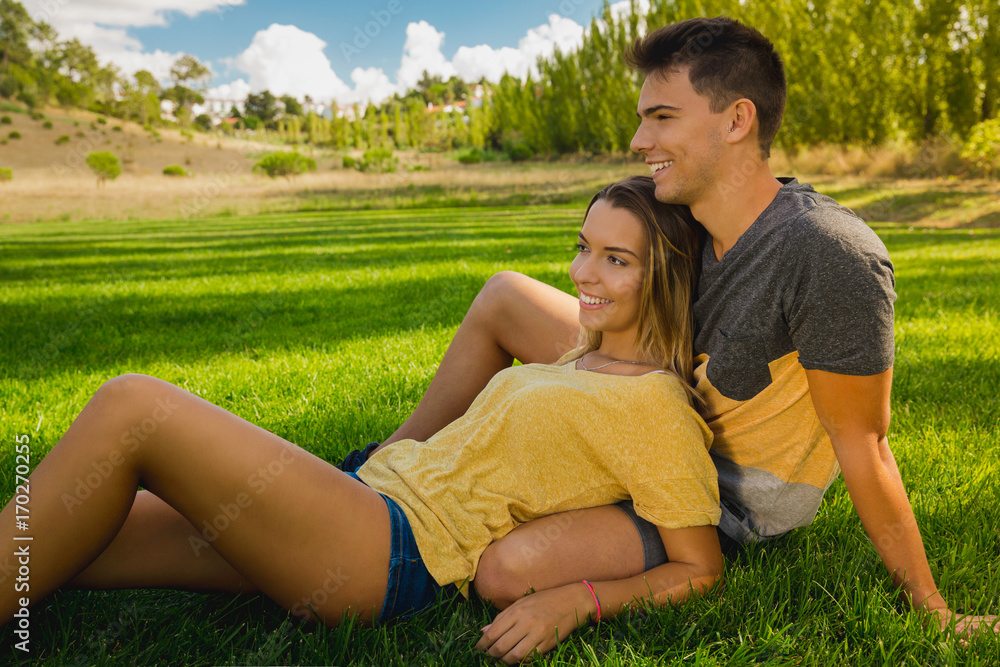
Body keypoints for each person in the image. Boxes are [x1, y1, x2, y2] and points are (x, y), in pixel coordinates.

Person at [352, 16, 998, 662]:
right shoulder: (689, 216)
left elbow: (866, 445)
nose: (639, 140)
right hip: (657, 402)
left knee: (510, 567)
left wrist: (932, 609)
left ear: (737, 120)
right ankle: (387, 465)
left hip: (714, 491)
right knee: (507, 296)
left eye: (661, 117)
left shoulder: (826, 254)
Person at [0, 176, 724, 659]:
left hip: (391, 552)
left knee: (135, 406)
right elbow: (507, 301)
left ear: (666, 273)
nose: (580, 273)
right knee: (65, 532)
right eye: (582, 246)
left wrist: (577, 600)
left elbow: (699, 568)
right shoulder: (586, 350)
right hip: (364, 492)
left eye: (614, 259)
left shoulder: (654, 406)